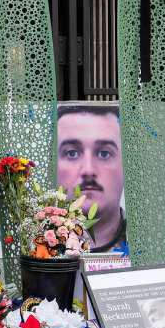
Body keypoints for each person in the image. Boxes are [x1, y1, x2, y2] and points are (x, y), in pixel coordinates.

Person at [56, 105, 127, 253]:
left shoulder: (146, 244)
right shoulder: (39, 243)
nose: (88, 170)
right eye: (72, 153)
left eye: (104, 153)